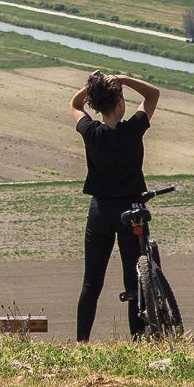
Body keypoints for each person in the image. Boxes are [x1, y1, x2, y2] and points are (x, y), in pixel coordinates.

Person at [70, 70, 161, 341]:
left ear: (97, 106)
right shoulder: (133, 129)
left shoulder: (91, 132)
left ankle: (82, 341)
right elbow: (153, 94)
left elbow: (75, 105)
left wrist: (93, 87)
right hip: (131, 210)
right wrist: (123, 79)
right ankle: (137, 338)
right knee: (134, 279)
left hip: (100, 211)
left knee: (91, 282)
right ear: (120, 104)